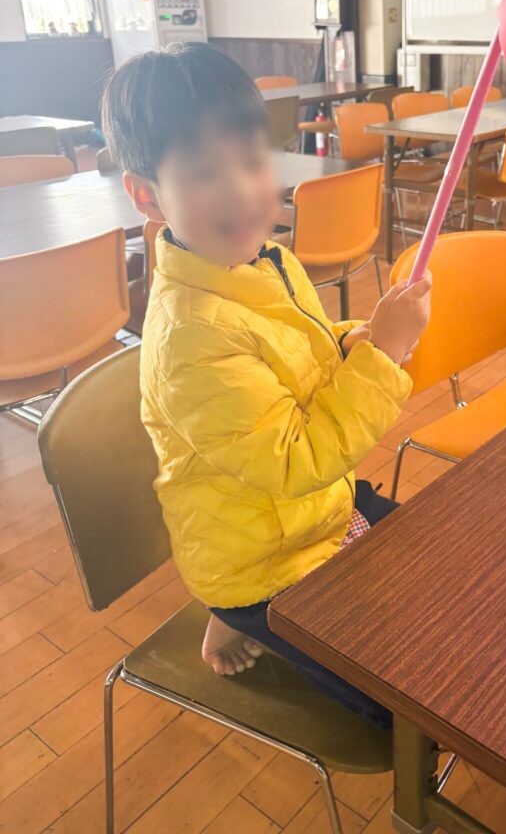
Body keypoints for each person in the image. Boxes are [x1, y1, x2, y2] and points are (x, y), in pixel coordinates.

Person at [102, 43, 431, 727]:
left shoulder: (264, 259)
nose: (243, 192)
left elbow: (300, 348)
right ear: (147, 194)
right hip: (263, 559)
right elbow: (293, 460)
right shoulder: (189, 337)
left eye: (252, 162)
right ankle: (237, 610)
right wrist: (386, 355)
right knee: (414, 704)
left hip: (317, 515)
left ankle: (235, 616)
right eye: (205, 173)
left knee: (451, 578)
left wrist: (355, 341)